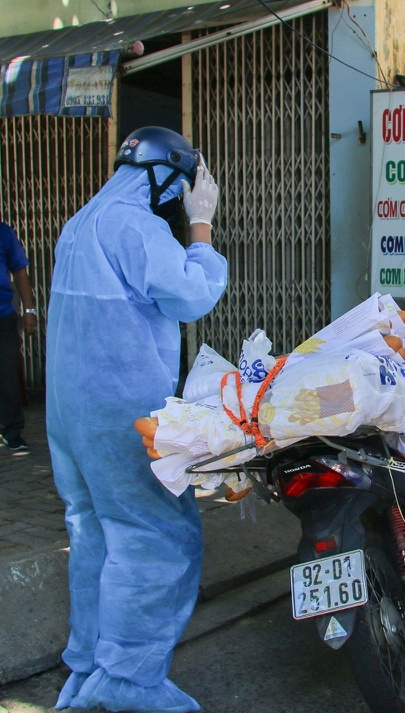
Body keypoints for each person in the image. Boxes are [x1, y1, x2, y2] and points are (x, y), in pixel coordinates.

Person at [46, 126, 228, 713]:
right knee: (157, 540)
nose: (179, 193)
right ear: (164, 174)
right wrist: (201, 224)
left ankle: (87, 672)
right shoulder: (135, 227)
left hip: (71, 419)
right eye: (179, 183)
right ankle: (127, 686)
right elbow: (192, 295)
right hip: (121, 418)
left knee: (94, 534)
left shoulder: (79, 224)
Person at [1, 220, 38, 452]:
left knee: (7, 376)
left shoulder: (3, 232)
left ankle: (12, 431)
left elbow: (20, 271)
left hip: (3, 318)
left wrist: (29, 310)